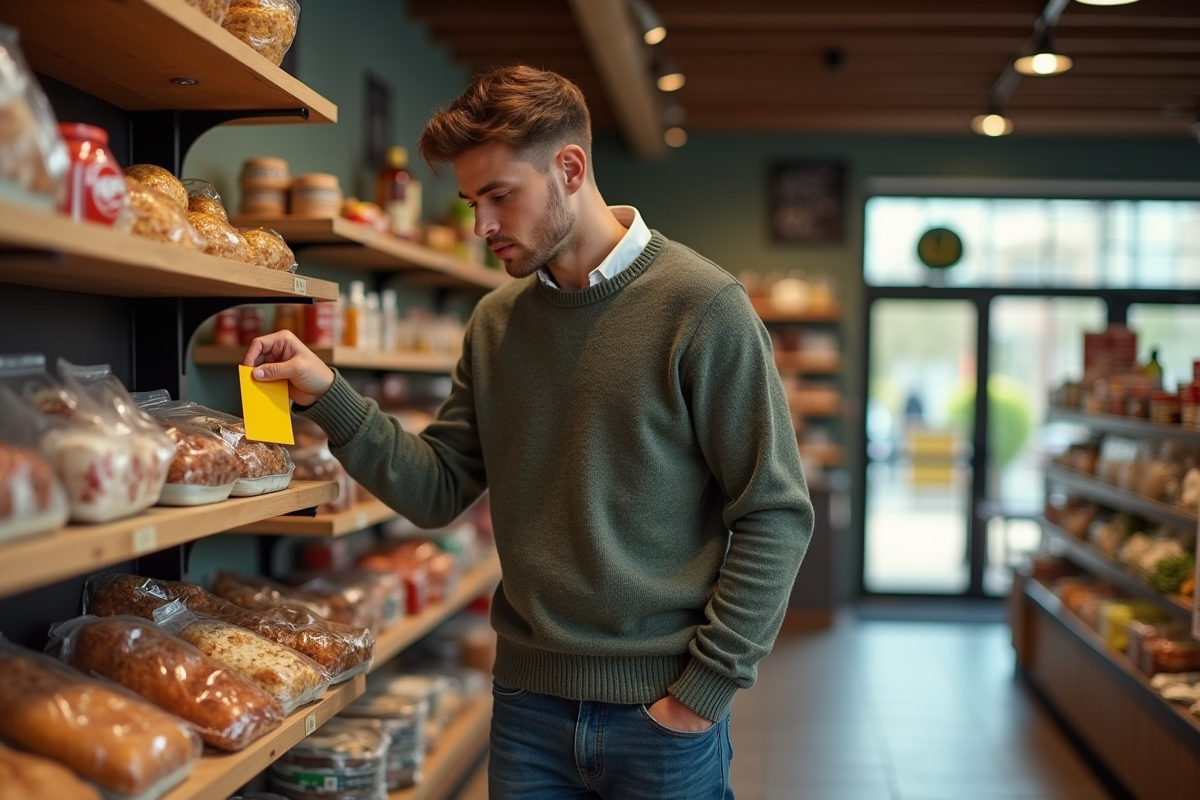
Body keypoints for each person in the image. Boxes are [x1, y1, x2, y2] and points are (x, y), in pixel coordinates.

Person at [244, 65, 813, 800]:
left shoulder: (703, 307)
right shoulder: (495, 324)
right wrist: (330, 395)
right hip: (527, 712)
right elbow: (437, 488)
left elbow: (774, 511)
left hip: (663, 713)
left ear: (569, 169)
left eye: (499, 196)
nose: (481, 226)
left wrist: (702, 693)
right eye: (471, 202)